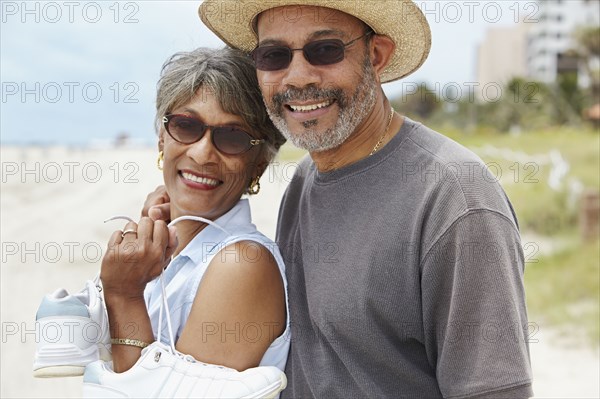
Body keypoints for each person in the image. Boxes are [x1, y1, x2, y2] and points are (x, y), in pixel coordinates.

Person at [145, 1, 533, 397]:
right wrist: (182, 223)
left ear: (376, 55)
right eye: (274, 56)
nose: (297, 76)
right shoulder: (305, 183)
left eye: (325, 50)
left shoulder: (454, 199)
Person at [101, 46, 290, 375]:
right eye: (186, 126)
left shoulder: (242, 266)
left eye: (232, 137)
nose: (203, 154)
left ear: (259, 164)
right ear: (163, 139)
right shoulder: (169, 251)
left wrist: (122, 294)